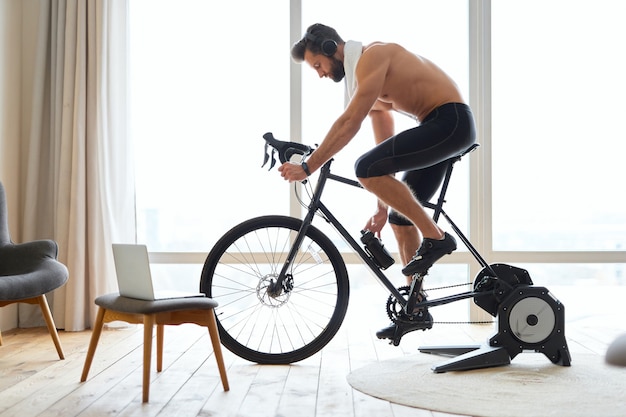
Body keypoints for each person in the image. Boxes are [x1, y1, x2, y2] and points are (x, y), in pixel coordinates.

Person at [279, 23, 476, 339]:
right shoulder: (368, 82)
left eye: (317, 65)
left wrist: (309, 166)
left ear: (331, 48)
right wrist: (382, 209)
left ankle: (436, 238)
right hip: (440, 126)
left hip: (449, 121)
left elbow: (349, 122)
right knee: (400, 219)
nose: (319, 74)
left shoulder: (373, 56)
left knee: (363, 167)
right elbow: (384, 153)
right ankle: (416, 306)